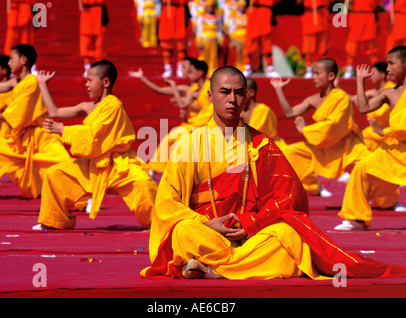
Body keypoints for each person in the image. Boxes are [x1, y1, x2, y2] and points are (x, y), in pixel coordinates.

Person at [140, 65, 406, 280]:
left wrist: (249, 225)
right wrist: (205, 224)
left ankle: (215, 269)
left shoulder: (261, 144)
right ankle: (235, 266)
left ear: (247, 96)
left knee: (289, 236)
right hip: (207, 233)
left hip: (250, 234)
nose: (232, 100)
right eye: (224, 92)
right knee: (183, 231)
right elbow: (167, 203)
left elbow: (288, 197)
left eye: (239, 93)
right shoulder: (189, 143)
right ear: (210, 96)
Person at [34, 60, 157, 230]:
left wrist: (65, 131)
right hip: (95, 164)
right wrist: (42, 85)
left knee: (144, 184)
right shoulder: (87, 106)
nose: (86, 84)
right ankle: (56, 221)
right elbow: (54, 112)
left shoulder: (114, 105)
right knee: (55, 174)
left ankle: (157, 223)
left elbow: (95, 134)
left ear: (105, 82)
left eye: (90, 80)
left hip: (119, 164)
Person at [0, 44, 71, 211]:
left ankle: (84, 198)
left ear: (24, 60)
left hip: (43, 135)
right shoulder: (16, 81)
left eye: (12, 58)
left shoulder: (33, 82)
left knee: (63, 164)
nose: (9, 63)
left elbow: (19, 113)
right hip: (20, 140)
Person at [270, 58, 370, 197]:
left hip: (345, 146)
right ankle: (312, 187)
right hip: (321, 146)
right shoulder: (313, 99)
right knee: (290, 153)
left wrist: (304, 130)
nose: (314, 77)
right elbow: (290, 113)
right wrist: (279, 90)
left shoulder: (342, 98)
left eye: (317, 73)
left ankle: (388, 200)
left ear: (330, 76)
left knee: (368, 166)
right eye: (314, 73)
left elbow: (333, 126)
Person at [335, 46, 406, 231]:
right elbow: (364, 108)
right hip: (395, 149)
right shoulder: (389, 93)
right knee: (361, 169)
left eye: (392, 64)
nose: (388, 68)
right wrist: (360, 81)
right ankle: (357, 219)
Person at [129, 58, 212, 173]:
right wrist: (142, 77)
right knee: (169, 140)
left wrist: (183, 100)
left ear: (200, 72)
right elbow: (160, 90)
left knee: (174, 142)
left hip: (202, 123)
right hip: (190, 123)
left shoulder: (209, 87)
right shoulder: (191, 89)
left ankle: (163, 170)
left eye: (190, 71)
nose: (188, 73)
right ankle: (156, 169)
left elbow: (202, 107)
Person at [350, 62, 397, 151]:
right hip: (373, 132)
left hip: (389, 133)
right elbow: (353, 99)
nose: (370, 75)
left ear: (383, 74)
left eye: (373, 73)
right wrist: (335, 87)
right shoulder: (373, 92)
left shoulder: (393, 89)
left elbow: (381, 115)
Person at [241, 78, 286, 149]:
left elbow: (254, 135)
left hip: (268, 147)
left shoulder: (263, 110)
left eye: (241, 92)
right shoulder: (239, 110)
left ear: (251, 93)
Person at [343, 0, 382, 78]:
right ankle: (349, 68)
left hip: (369, 16)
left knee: (372, 45)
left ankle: (375, 68)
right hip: (356, 16)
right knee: (352, 44)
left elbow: (379, 1)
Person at [245, 0, 282, 77]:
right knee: (251, 42)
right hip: (254, 12)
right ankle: (248, 66)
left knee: (266, 43)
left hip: (265, 12)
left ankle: (270, 67)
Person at [158, 0, 192, 78]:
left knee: (180, 47)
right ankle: (167, 69)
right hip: (168, 13)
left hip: (179, 14)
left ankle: (180, 69)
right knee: (166, 48)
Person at [296, 0, 330, 78]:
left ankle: (323, 69)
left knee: (322, 45)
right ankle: (308, 68)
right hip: (309, 15)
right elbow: (298, 1)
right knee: (308, 45)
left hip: (322, 15)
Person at [79, 0, 109, 78]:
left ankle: (99, 68)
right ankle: (87, 67)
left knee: (100, 41)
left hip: (98, 12)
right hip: (86, 12)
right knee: (85, 40)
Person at [195, 0, 223, 76]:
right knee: (203, 57)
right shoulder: (201, 17)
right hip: (204, 39)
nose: (210, 8)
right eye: (209, 6)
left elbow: (219, 30)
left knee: (213, 58)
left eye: (212, 6)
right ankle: (202, 71)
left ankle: (212, 73)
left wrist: (220, 41)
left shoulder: (217, 18)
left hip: (214, 40)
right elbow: (199, 30)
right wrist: (199, 41)